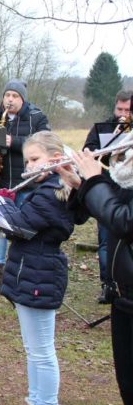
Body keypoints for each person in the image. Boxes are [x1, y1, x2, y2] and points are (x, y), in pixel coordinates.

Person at [0, 131, 76, 405]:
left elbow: (19, 224)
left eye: (35, 159)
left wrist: (0, 205)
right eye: (27, 160)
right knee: (33, 348)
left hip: (41, 271)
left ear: (55, 160)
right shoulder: (38, 189)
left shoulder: (52, 192)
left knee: (42, 350)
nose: (28, 166)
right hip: (28, 269)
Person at [61, 124, 133, 405]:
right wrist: (81, 184)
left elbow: (125, 220)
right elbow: (119, 200)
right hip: (124, 296)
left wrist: (95, 179)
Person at [0, 79, 50, 287]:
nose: (10, 100)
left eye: (15, 96)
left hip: (27, 183)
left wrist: (15, 142)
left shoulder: (37, 118)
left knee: (25, 227)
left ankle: (22, 266)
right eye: (7, 96)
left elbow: (45, 143)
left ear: (22, 99)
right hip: (0, 183)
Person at [81, 89, 131, 302]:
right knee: (105, 241)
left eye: (128, 110)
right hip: (104, 189)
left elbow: (126, 222)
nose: (123, 114)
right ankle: (108, 284)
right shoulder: (104, 128)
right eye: (119, 109)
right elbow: (88, 150)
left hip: (114, 192)